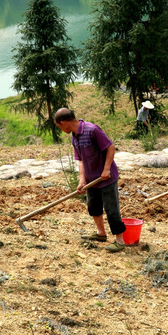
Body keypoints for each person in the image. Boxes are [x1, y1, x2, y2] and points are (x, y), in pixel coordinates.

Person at [54, 108, 126, 252]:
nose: (61, 130)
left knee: (111, 209)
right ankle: (101, 233)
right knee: (93, 206)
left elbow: (111, 147)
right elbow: (80, 160)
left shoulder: (92, 130)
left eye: (59, 127)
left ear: (63, 123)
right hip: (92, 179)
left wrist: (106, 169)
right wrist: (82, 180)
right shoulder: (74, 136)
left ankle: (120, 241)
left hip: (106, 178)